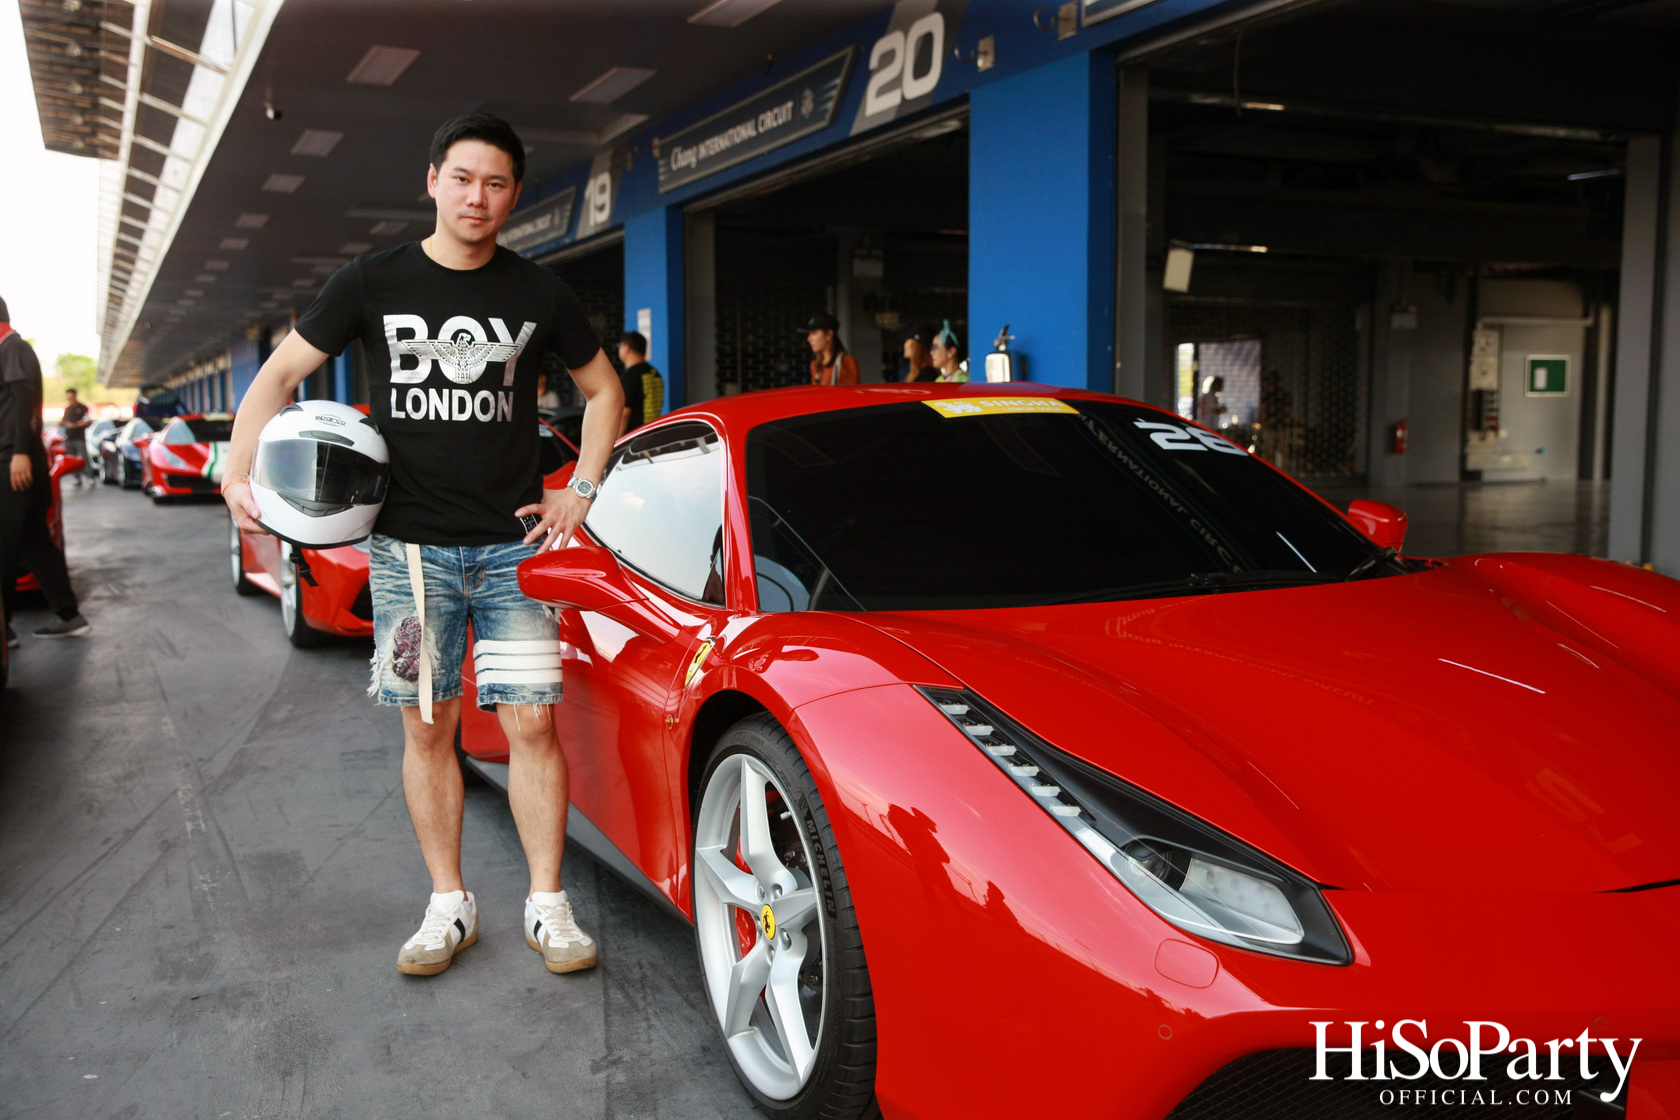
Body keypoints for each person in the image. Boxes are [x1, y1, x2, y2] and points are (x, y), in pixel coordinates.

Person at [221, 113, 624, 979]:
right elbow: (279, 375)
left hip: (514, 551)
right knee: (429, 727)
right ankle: (449, 903)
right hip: (408, 555)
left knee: (532, 723)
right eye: (463, 178)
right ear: (433, 181)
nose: (478, 197)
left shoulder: (538, 292)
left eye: (496, 183)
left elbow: (605, 390)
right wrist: (235, 468)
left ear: (514, 195)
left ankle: (547, 904)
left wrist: (582, 490)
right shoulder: (372, 281)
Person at [0, 296, 90, 645]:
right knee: (33, 540)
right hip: (17, 456)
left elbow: (25, 402)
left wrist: (20, 452)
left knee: (5, 544)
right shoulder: (11, 348)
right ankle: (69, 615)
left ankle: (3, 631)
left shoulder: (12, 347)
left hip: (13, 460)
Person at [616, 331, 664, 436]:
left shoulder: (630, 376)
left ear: (627, 348)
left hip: (635, 437)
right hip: (654, 433)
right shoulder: (655, 373)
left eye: (619, 346)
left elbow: (625, 412)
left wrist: (617, 439)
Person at [803, 313, 859, 386]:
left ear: (829, 335)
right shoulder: (815, 363)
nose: (809, 339)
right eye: (809, 334)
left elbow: (850, 391)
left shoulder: (846, 362)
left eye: (814, 333)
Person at [61, 389, 90, 488]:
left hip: (79, 437)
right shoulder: (68, 409)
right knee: (72, 459)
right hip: (69, 437)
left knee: (84, 457)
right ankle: (77, 478)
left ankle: (89, 476)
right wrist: (67, 424)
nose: (69, 399)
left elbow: (87, 420)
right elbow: (64, 420)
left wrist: (76, 424)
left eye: (71, 396)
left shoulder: (82, 408)